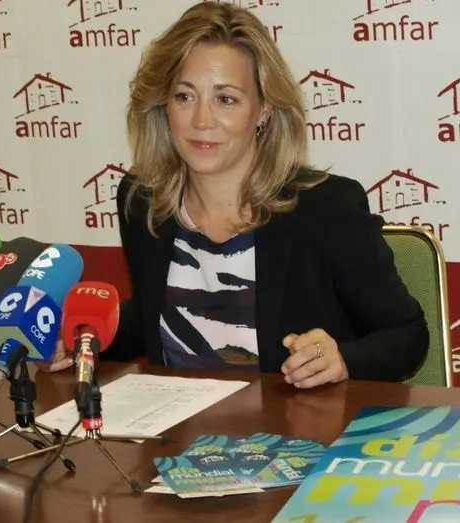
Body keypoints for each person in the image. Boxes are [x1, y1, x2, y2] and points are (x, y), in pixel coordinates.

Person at [40, 2, 429, 388]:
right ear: (163, 105)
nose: (202, 120)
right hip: (177, 423)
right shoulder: (143, 201)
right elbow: (153, 319)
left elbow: (407, 336)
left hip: (291, 426)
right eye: (184, 96)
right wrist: (83, 341)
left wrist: (342, 360)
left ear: (263, 110)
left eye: (226, 99)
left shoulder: (326, 207)